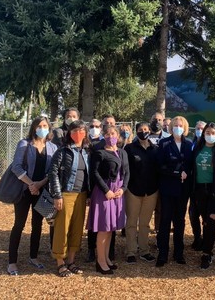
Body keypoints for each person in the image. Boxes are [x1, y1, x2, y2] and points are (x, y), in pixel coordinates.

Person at [7, 116, 58, 276]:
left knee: (38, 225)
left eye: (45, 126)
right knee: (19, 225)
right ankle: (12, 262)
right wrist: (31, 184)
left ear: (49, 128)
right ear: (34, 127)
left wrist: (39, 184)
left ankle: (33, 257)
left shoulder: (52, 147)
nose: (42, 128)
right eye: (39, 125)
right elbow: (16, 167)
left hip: (41, 191)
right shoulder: (24, 144)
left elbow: (52, 171)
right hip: (24, 191)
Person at [49, 120, 91, 277]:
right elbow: (53, 173)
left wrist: (89, 195)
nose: (78, 133)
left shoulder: (86, 152)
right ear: (69, 133)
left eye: (81, 130)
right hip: (66, 195)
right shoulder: (62, 152)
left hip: (82, 195)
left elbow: (88, 175)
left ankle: (71, 261)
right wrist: (57, 195)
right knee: (62, 228)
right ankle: (60, 263)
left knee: (77, 229)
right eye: (74, 130)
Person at [86, 125, 128, 275]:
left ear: (118, 135)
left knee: (110, 228)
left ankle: (107, 259)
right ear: (104, 136)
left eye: (113, 133)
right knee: (103, 228)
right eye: (108, 134)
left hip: (117, 192)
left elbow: (127, 173)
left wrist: (123, 189)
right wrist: (106, 190)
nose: (111, 136)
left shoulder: (123, 153)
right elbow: (94, 173)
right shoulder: (99, 153)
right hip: (104, 192)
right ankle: (100, 261)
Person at [191, 122, 215, 269]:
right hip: (200, 190)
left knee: (212, 220)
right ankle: (207, 247)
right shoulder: (198, 149)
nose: (210, 135)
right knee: (206, 222)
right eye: (207, 133)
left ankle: (207, 253)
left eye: (213, 133)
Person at [155, 116, 193, 267]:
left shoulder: (189, 143)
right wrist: (176, 173)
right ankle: (163, 253)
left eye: (181, 125)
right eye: (175, 125)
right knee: (165, 220)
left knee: (180, 221)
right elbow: (160, 166)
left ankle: (179, 253)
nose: (178, 127)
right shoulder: (164, 143)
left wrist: (186, 172)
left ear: (185, 127)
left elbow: (191, 164)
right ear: (171, 127)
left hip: (183, 189)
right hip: (167, 187)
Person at [124, 122, 159, 264]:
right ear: (136, 131)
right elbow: (125, 169)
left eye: (145, 129)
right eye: (140, 130)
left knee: (145, 223)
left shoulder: (155, 149)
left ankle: (144, 250)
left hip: (151, 191)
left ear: (149, 131)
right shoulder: (129, 148)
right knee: (131, 222)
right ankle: (131, 251)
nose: (143, 132)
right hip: (133, 190)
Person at [189, 120, 207, 250]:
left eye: (202, 128)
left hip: (205, 185)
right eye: (198, 128)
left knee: (205, 213)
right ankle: (197, 237)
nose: (199, 130)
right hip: (192, 184)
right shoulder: (191, 143)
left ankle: (206, 239)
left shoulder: (209, 145)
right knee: (193, 213)